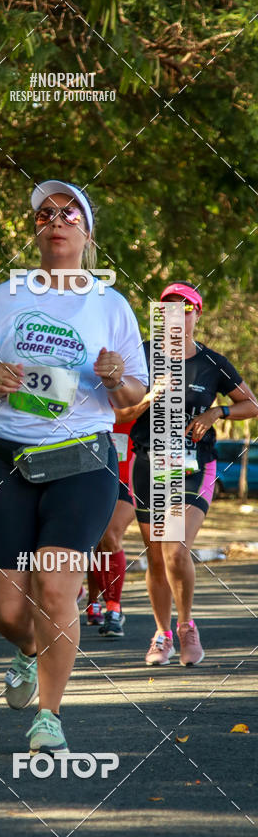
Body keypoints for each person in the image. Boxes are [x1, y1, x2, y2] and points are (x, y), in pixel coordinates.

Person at [0, 180, 148, 753]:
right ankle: (26, 651)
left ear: (86, 232)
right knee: (8, 614)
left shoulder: (110, 305)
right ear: (36, 230)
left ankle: (49, 716)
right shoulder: (5, 298)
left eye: (68, 212)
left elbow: (133, 396)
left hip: (83, 463)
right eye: (45, 213)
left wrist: (118, 377)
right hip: (9, 464)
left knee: (54, 581)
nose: (56, 219)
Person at [129, 282, 258, 666]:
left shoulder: (213, 363)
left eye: (186, 309)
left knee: (174, 547)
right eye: (168, 309)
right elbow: (120, 403)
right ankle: (162, 633)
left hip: (194, 465)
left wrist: (218, 412)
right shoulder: (142, 356)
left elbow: (251, 404)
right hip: (148, 463)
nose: (177, 316)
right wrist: (144, 398)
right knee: (155, 557)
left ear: (197, 316)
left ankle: (186, 626)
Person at [86, 414, 136, 636]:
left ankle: (114, 609)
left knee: (110, 535)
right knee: (94, 541)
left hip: (130, 480)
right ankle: (92, 600)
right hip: (92, 475)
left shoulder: (142, 389)